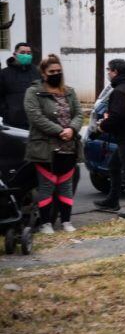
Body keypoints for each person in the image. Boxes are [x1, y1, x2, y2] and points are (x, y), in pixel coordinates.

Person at [24, 54, 82, 234]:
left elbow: (79, 114)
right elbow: (35, 117)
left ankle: (66, 221)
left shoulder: (69, 91)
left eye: (59, 71)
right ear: (43, 73)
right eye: (52, 71)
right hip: (45, 148)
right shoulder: (33, 92)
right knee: (47, 186)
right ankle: (46, 223)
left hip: (69, 146)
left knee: (66, 185)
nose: (56, 74)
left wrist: (72, 129)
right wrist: (59, 130)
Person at [95, 59, 125, 219]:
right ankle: (112, 200)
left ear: (115, 71)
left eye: (109, 70)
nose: (108, 73)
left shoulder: (120, 90)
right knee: (114, 166)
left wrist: (102, 126)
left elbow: (117, 116)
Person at [0, 42, 40, 128]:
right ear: (14, 54)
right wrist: (7, 114)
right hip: (13, 123)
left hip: (36, 122)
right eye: (22, 53)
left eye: (29, 53)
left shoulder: (37, 72)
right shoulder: (4, 74)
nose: (26, 55)